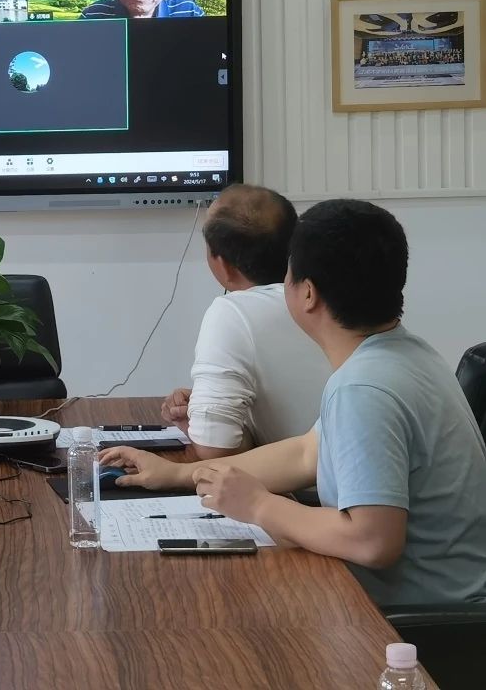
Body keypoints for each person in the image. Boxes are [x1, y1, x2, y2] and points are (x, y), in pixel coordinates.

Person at [102, 199, 486, 607]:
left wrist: (259, 505)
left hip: (421, 622)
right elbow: (306, 453)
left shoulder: (362, 388)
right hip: (440, 605)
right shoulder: (408, 353)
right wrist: (179, 475)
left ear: (307, 293)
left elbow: (373, 541)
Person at [160, 184, 332, 459]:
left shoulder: (232, 312)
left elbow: (216, 450)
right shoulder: (331, 295)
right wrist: (212, 410)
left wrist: (205, 425)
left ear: (223, 264)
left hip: (304, 483)